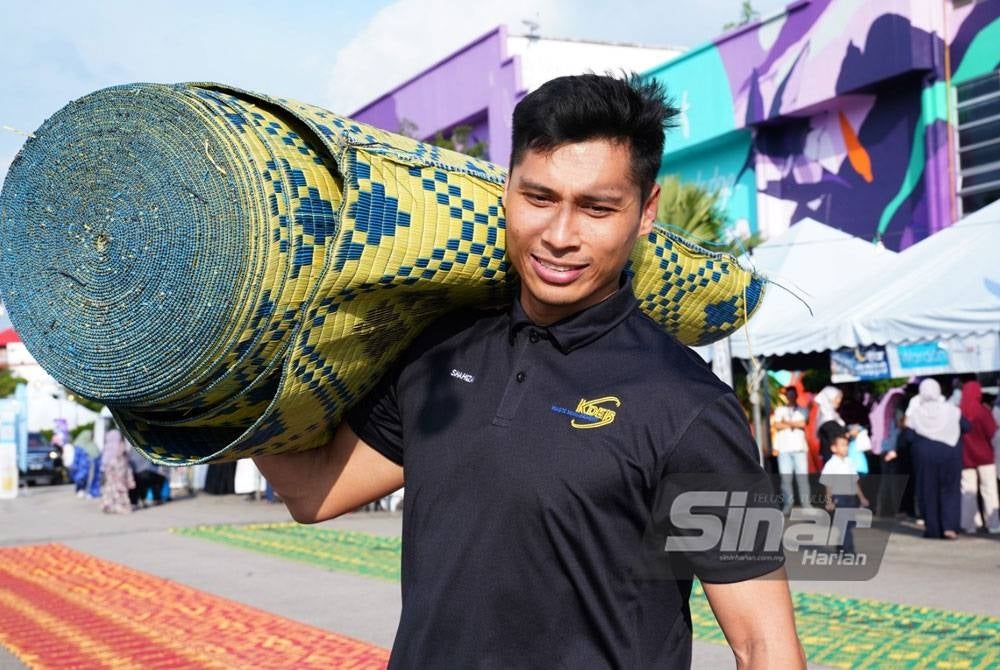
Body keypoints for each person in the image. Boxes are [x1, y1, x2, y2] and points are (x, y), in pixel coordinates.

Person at [256, 73, 804, 669]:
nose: (560, 236)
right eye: (538, 198)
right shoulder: (439, 353)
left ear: (646, 212)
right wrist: (202, 369)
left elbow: (764, 644)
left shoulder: (689, 405)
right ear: (507, 188)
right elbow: (312, 493)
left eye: (597, 208)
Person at [905, 379, 963, 539]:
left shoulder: (916, 412)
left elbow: (909, 436)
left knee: (928, 492)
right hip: (950, 455)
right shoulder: (951, 410)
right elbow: (966, 426)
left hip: (925, 457)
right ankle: (949, 527)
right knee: (950, 491)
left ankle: (933, 529)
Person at [958, 380, 999, 534]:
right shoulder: (983, 411)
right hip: (985, 457)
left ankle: (970, 525)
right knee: (989, 491)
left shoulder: (958, 411)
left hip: (965, 457)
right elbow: (992, 432)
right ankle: (993, 524)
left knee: (968, 492)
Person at [819, 428, 869, 553]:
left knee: (848, 524)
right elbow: (828, 485)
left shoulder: (849, 462)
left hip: (850, 498)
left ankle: (840, 546)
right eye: (842, 445)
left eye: (846, 445)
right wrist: (829, 501)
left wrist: (862, 497)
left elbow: (854, 481)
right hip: (839, 497)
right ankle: (849, 551)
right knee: (845, 524)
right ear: (833, 448)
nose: (845, 448)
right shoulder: (831, 464)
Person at [771, 386, 812, 513]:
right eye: (789, 395)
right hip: (784, 449)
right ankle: (788, 505)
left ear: (796, 396)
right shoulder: (780, 410)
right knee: (786, 478)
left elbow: (803, 423)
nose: (791, 397)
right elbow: (776, 425)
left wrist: (786, 423)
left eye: (793, 394)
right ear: (787, 396)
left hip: (799, 448)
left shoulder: (802, 409)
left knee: (802, 478)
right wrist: (793, 423)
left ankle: (806, 504)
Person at [100, 429, 135, 514]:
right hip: (120, 475)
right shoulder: (121, 446)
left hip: (110, 476)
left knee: (110, 490)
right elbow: (126, 464)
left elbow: (103, 465)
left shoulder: (107, 448)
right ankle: (121, 507)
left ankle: (109, 506)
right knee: (120, 491)